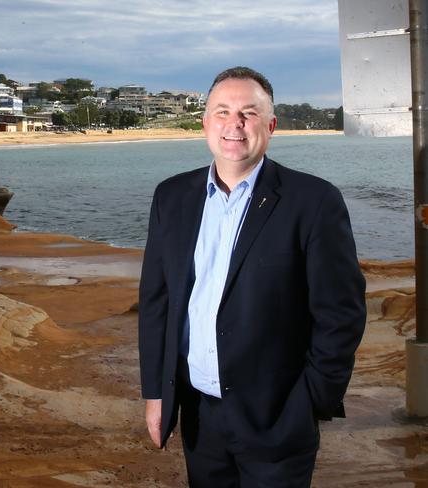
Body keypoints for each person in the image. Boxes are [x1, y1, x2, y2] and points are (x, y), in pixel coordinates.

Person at [138, 66, 366, 487]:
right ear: (205, 123)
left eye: (249, 112)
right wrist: (156, 394)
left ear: (271, 125)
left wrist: (311, 401)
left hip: (278, 417)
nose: (234, 124)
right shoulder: (170, 197)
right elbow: (158, 302)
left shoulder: (314, 201)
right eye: (222, 112)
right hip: (199, 416)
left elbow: (341, 314)